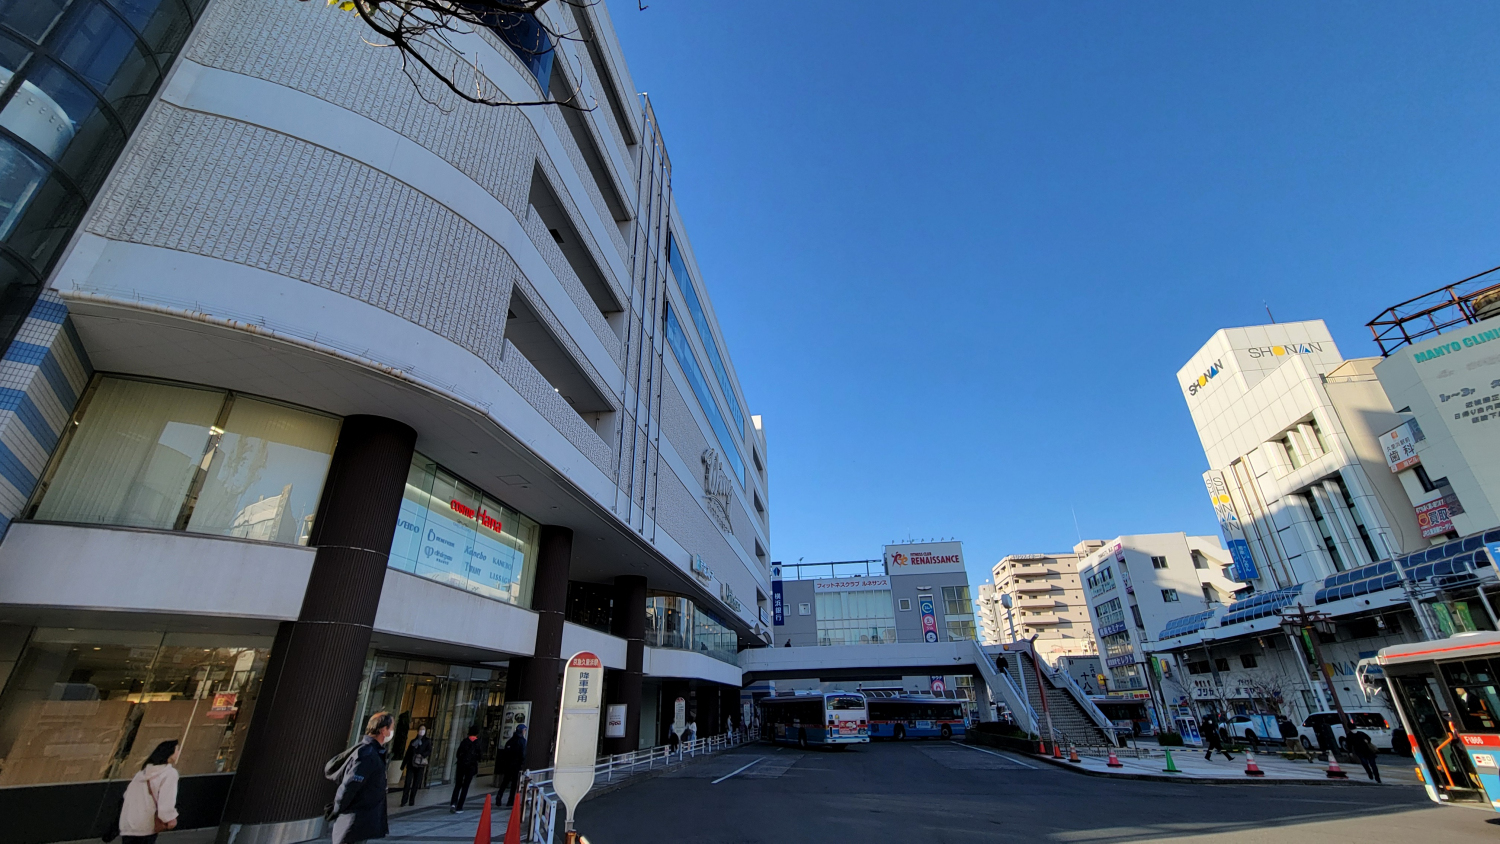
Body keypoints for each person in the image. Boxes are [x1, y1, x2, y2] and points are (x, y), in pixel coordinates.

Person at [332, 711, 393, 844]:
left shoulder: (374, 752)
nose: (392, 731)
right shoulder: (368, 753)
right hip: (353, 824)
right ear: (383, 730)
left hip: (360, 823)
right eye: (391, 728)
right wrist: (336, 809)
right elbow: (350, 785)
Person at [119, 739, 180, 844]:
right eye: (177, 750)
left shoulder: (141, 773)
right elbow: (166, 802)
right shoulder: (169, 773)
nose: (179, 753)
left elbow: (126, 796)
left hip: (128, 825)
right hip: (146, 826)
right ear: (169, 753)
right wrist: (170, 818)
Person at [450, 726, 482, 813]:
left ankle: (453, 803)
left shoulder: (464, 741)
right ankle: (460, 807)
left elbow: (458, 753)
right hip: (471, 767)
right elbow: (480, 756)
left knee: (458, 785)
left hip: (461, 766)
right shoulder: (477, 743)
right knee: (465, 786)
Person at [399, 725, 431, 807]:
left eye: (423, 729)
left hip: (420, 765)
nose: (422, 731)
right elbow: (408, 753)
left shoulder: (427, 741)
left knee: (416, 783)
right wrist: (403, 765)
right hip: (411, 763)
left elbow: (429, 751)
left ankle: (411, 800)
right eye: (420, 729)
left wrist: (422, 755)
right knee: (407, 782)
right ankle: (404, 800)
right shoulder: (413, 741)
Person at [497, 724, 527, 807]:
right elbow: (523, 754)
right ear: (521, 731)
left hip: (508, 764)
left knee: (505, 781)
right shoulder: (522, 741)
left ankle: (499, 797)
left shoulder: (510, 741)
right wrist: (522, 764)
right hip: (516, 765)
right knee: (514, 784)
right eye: (524, 730)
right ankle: (510, 801)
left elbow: (505, 753)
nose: (525, 732)